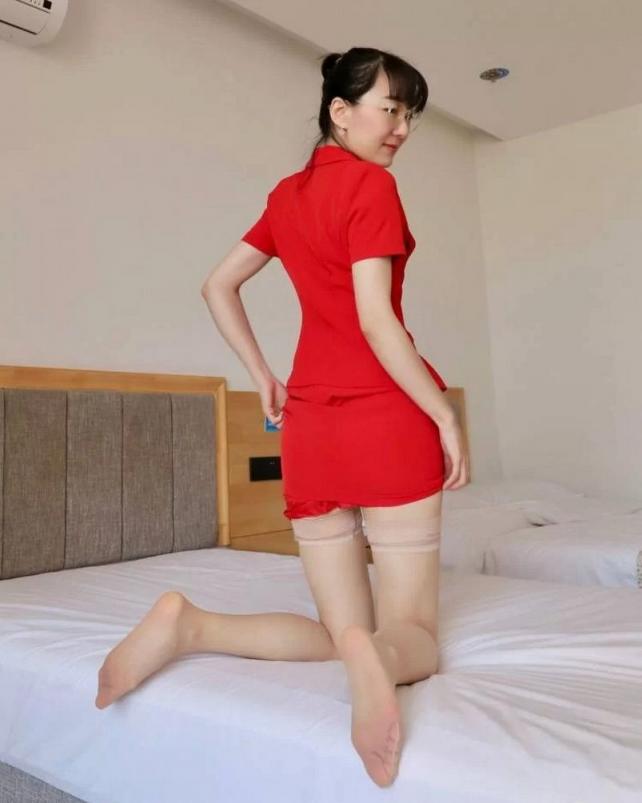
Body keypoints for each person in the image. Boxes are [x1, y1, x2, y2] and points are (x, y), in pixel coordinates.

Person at [95, 46, 469, 789]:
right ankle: (379, 655)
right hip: (387, 419)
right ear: (341, 111)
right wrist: (443, 415)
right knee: (414, 634)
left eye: (410, 115)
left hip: (311, 426)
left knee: (336, 632)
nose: (402, 129)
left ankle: (192, 626)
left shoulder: (288, 195)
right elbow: (376, 320)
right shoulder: (373, 187)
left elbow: (217, 285)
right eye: (390, 110)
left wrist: (264, 376)